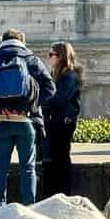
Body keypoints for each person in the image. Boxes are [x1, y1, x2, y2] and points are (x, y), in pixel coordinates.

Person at [0, 29, 55, 208]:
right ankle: (29, 206)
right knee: (28, 167)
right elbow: (50, 88)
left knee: (0, 169)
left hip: (1, 122)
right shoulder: (31, 59)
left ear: (3, 41)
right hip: (25, 122)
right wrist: (30, 105)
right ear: (22, 42)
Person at [42, 41, 83, 197]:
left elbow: (59, 99)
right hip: (57, 121)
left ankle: (64, 192)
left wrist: (44, 102)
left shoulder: (69, 76)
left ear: (61, 56)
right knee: (56, 159)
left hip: (63, 123)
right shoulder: (59, 75)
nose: (50, 58)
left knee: (61, 158)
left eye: (52, 55)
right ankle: (57, 192)